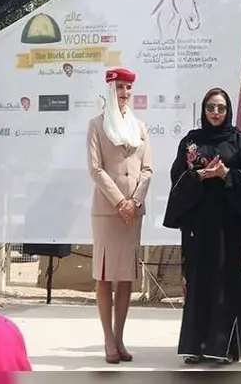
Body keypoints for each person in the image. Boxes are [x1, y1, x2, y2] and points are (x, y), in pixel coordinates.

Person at [163, 87, 241, 365]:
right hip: (198, 224)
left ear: (228, 111)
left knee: (225, 282)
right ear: (203, 110)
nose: (216, 113)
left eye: (221, 108)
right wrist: (200, 176)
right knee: (197, 281)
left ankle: (223, 347)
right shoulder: (191, 142)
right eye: (210, 108)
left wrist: (227, 174)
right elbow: (177, 178)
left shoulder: (239, 142)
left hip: (229, 226)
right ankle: (195, 345)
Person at [86, 67, 152, 364]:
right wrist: (120, 202)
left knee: (125, 278)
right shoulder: (97, 126)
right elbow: (96, 169)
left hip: (132, 214)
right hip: (107, 212)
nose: (124, 94)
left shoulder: (140, 128)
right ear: (110, 91)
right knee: (104, 276)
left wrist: (135, 201)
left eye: (128, 88)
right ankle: (107, 339)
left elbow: (147, 170)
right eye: (120, 88)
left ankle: (121, 337)